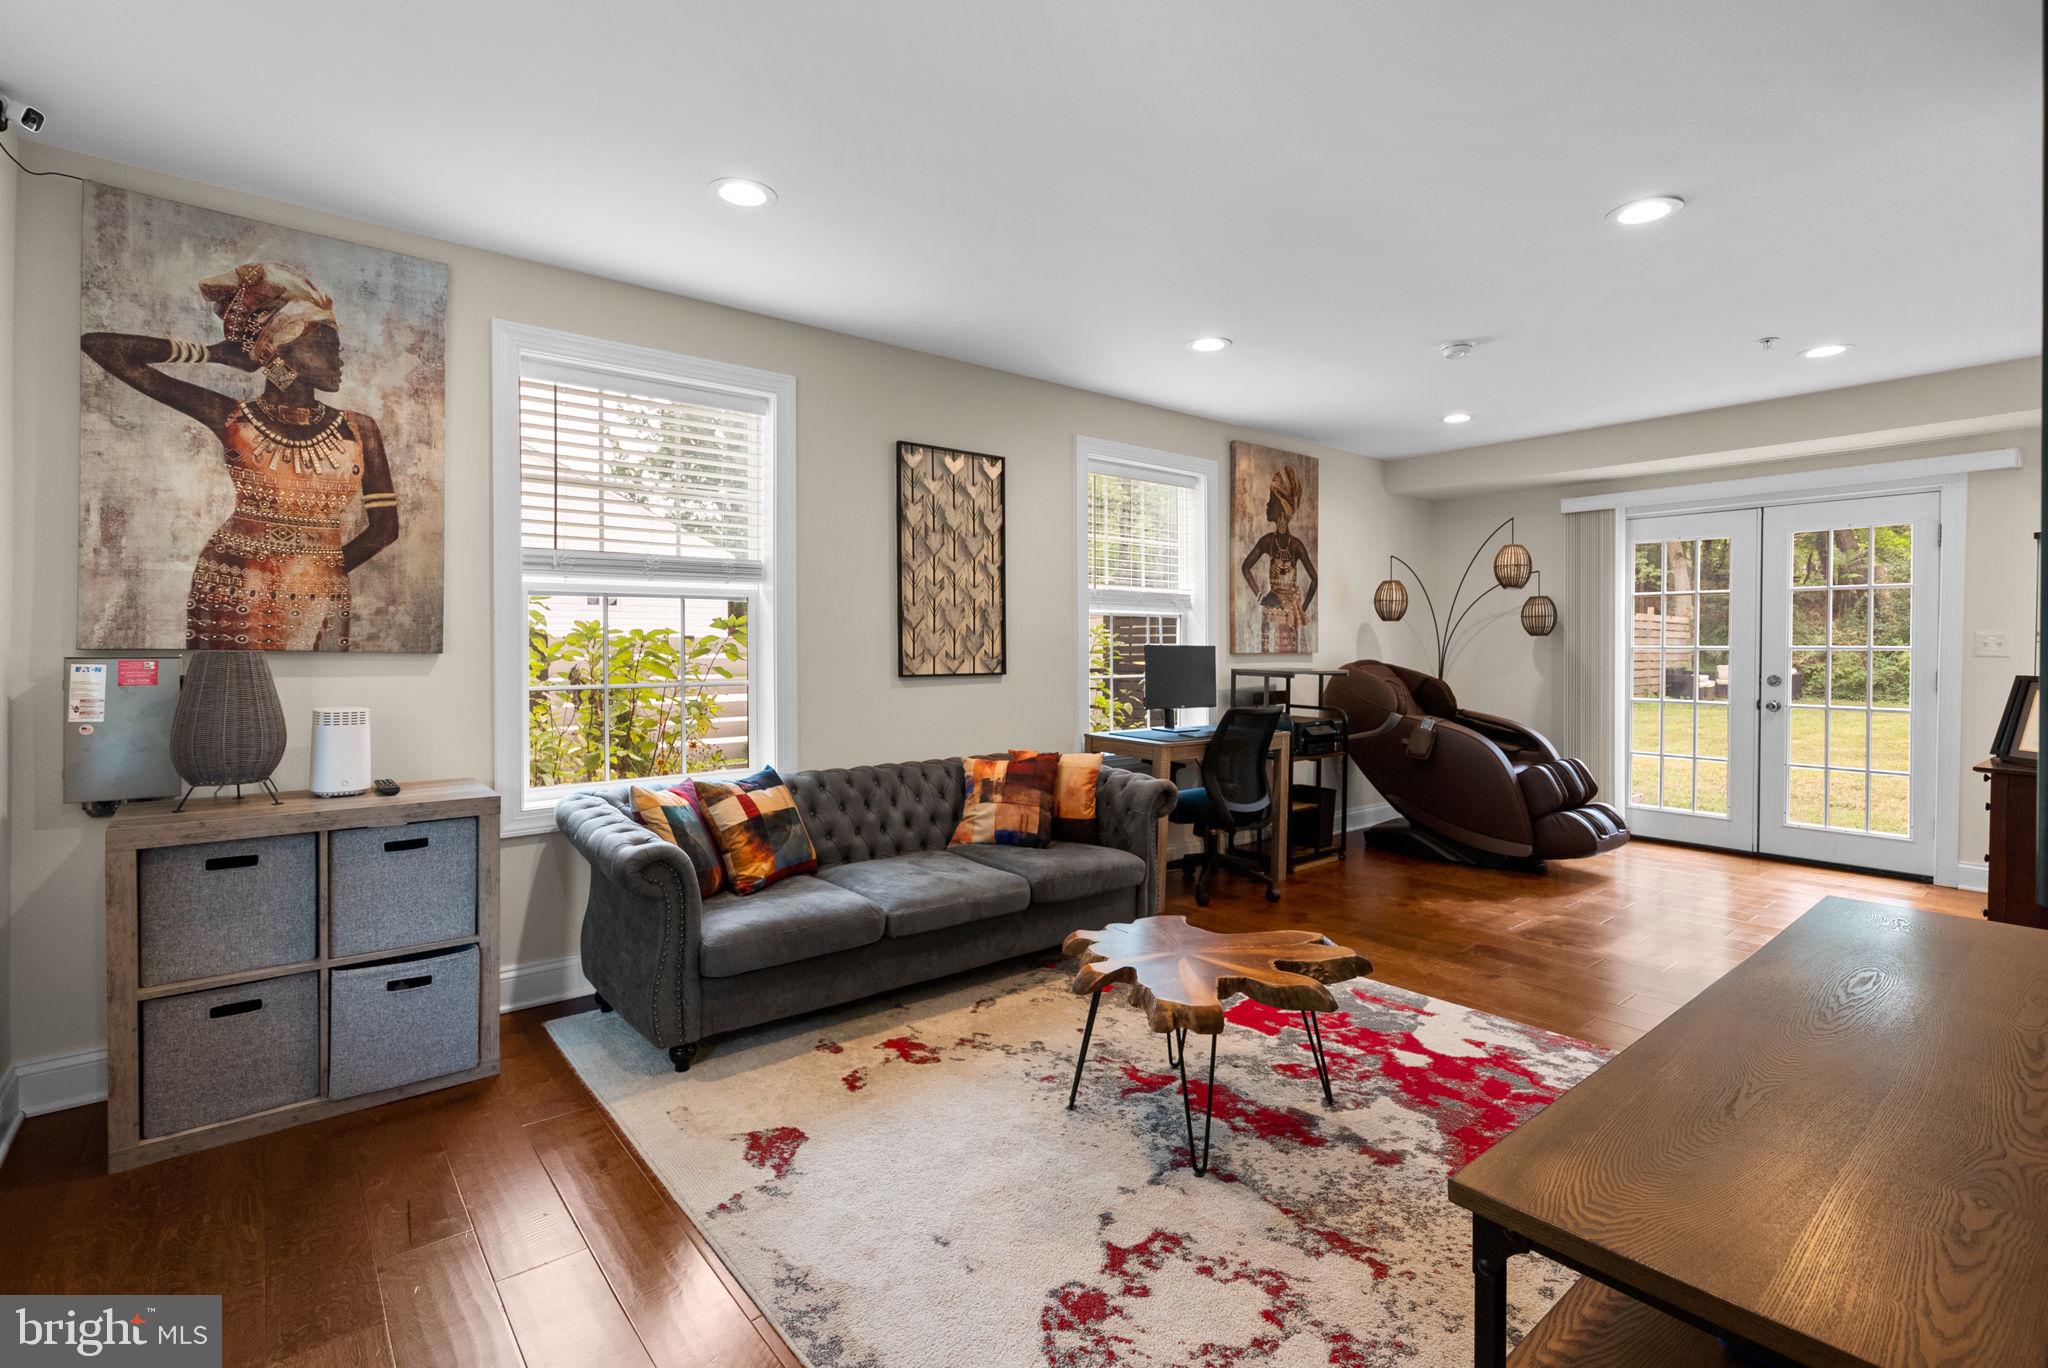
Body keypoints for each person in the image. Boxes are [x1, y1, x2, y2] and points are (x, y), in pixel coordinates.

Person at [81, 262, 398, 650]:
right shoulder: (232, 416)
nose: (339, 359)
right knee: (225, 692)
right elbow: (100, 346)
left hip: (318, 586)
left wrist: (319, 574)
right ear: (284, 347)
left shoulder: (358, 428)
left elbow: (385, 529)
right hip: (234, 581)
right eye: (327, 346)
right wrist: (213, 354)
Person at [1240, 465, 1318, 652]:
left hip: (1292, 609)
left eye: (1271, 502)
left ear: (1282, 509)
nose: (1267, 505)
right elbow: (1245, 567)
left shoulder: (1296, 545)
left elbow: (1315, 579)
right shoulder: (1268, 542)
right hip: (1271, 603)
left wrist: (1303, 607)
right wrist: (1260, 596)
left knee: (1290, 650)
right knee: (1267, 649)